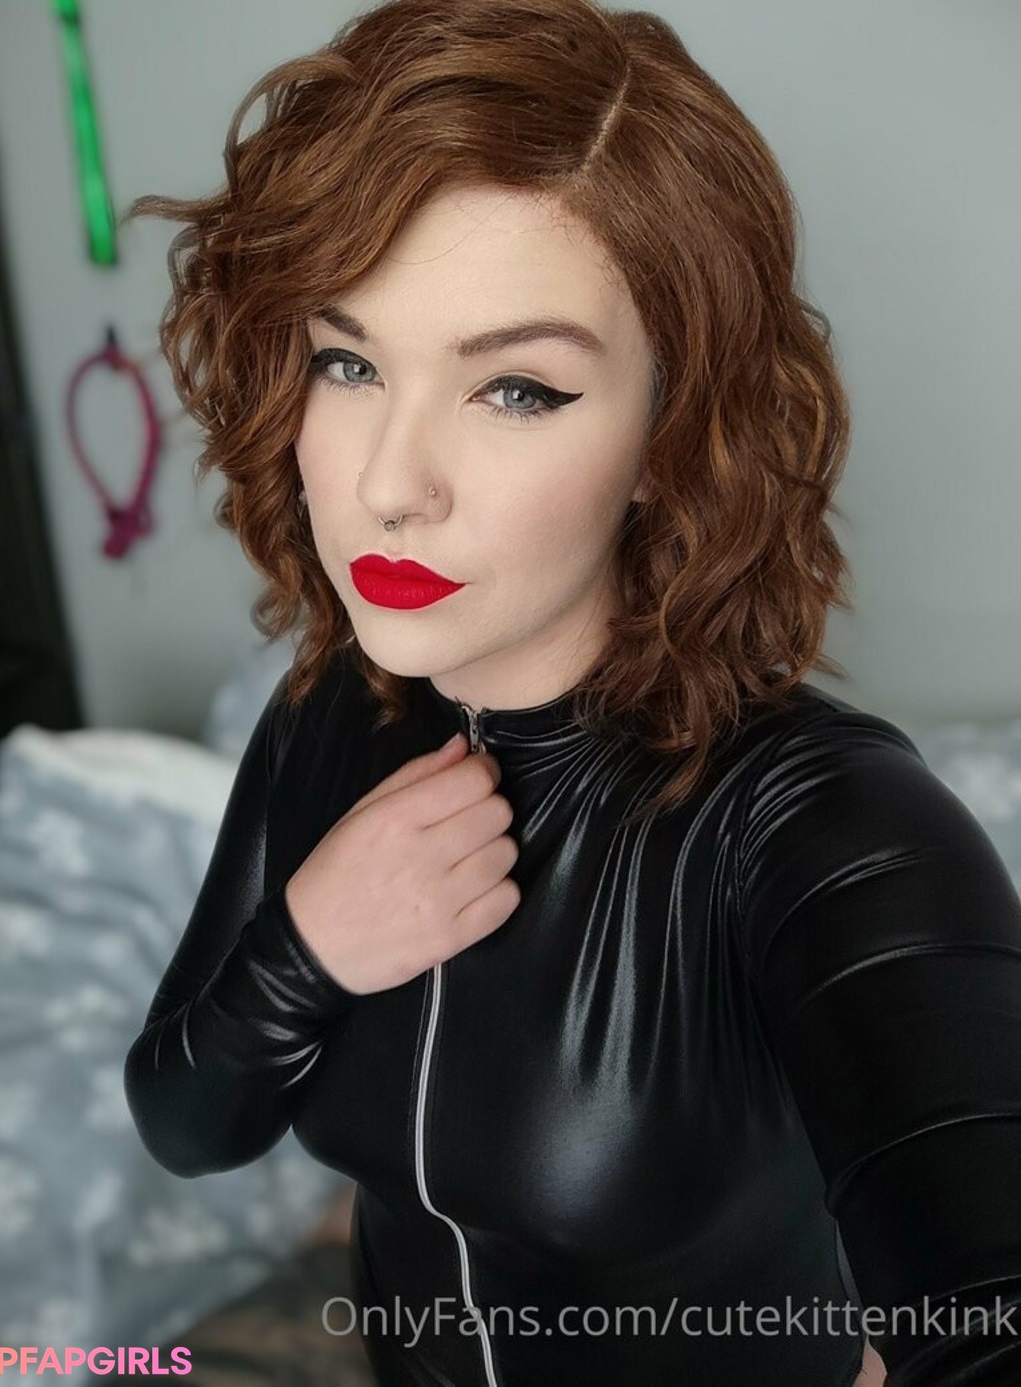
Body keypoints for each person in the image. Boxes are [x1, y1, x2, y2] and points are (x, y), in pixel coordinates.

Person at [123, 2, 1021, 1383]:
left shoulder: (819, 823)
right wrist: (309, 949)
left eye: (517, 391)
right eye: (349, 363)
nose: (389, 484)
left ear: (671, 432)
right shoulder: (328, 716)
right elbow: (187, 1125)